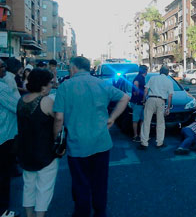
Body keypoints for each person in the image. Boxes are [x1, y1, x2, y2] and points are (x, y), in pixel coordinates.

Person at [53, 56, 130, 217]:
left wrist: (55, 139)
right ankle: (100, 211)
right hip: (101, 142)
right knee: (100, 181)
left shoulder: (65, 86)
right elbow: (125, 97)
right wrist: (112, 118)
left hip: (77, 144)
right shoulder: (102, 84)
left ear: (74, 68)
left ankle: (82, 211)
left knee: (80, 182)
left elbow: (59, 118)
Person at [16, 69, 59, 217]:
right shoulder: (46, 101)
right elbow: (58, 120)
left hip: (25, 151)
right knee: (44, 188)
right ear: (42, 86)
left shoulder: (21, 100)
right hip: (44, 152)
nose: (52, 86)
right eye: (50, 83)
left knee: (28, 186)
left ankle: (29, 215)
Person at [0, 59, 20, 217]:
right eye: (2, 66)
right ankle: (3, 211)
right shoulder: (2, 88)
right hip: (3, 137)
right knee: (3, 176)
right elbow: (17, 106)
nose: (5, 68)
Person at [139, 66, 174, 150]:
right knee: (160, 123)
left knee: (146, 121)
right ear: (167, 73)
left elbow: (146, 90)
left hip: (150, 99)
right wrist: (168, 108)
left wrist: (144, 100)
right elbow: (170, 96)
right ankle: (159, 143)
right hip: (161, 101)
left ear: (160, 72)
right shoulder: (169, 81)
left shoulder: (153, 78)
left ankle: (144, 143)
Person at [130, 65, 148, 142]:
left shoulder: (141, 78)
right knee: (136, 120)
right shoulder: (138, 78)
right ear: (145, 71)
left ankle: (140, 135)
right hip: (137, 102)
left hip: (140, 102)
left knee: (142, 119)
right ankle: (135, 136)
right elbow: (136, 85)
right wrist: (138, 93)